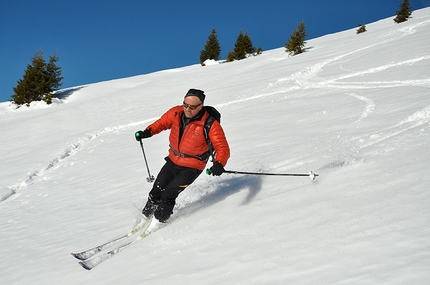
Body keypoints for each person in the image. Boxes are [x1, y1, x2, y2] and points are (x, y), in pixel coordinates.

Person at [135, 89, 230, 223]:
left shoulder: (210, 124)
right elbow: (161, 123)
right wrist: (147, 132)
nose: (187, 109)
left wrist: (219, 163)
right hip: (173, 161)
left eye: (192, 107)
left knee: (169, 193)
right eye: (185, 105)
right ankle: (145, 217)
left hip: (192, 167)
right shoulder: (176, 112)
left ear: (200, 106)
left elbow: (222, 147)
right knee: (156, 190)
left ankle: (159, 221)